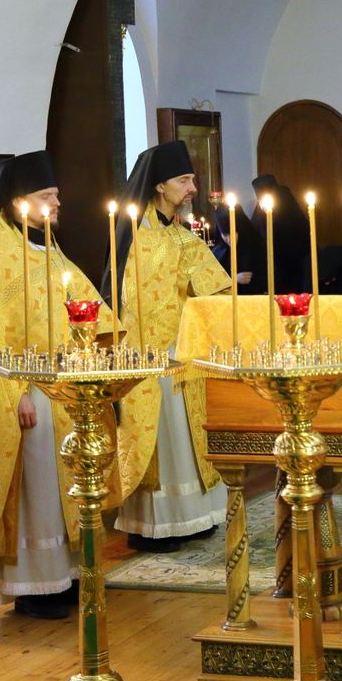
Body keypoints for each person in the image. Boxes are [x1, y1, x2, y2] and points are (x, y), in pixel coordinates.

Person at [0, 151, 117, 619]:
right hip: (29, 394)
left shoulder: (49, 250)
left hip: (65, 391)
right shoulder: (2, 257)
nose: (58, 203)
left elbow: (87, 307)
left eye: (56, 194)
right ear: (20, 201)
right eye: (48, 195)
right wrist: (16, 393)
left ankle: (70, 576)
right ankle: (36, 587)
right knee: (37, 492)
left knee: (66, 487)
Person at [102, 140, 231, 553]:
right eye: (184, 180)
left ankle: (194, 516)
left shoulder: (179, 234)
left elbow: (214, 290)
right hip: (148, 358)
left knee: (187, 438)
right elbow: (127, 299)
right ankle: (155, 525)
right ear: (160, 185)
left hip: (184, 352)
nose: (192, 188)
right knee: (161, 441)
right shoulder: (135, 234)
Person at [251, 174, 309, 295]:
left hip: (292, 266)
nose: (262, 205)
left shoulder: (288, 207)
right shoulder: (259, 212)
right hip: (268, 270)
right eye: (260, 201)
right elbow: (255, 234)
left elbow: (299, 237)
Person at [211, 203, 268, 295]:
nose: (229, 239)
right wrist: (233, 279)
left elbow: (267, 278)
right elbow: (209, 283)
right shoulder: (217, 253)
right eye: (225, 235)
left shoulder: (256, 247)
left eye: (232, 233)